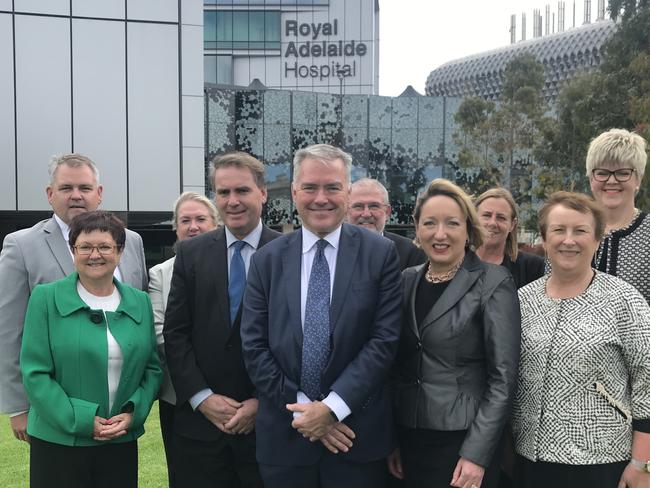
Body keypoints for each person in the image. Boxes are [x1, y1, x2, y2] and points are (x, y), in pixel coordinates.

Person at [241, 144, 402, 488]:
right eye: (311, 187)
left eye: (332, 187)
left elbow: (384, 340)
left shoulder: (381, 254)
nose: (321, 198)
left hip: (355, 438)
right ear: (295, 191)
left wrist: (331, 409)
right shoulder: (266, 260)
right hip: (286, 439)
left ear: (347, 191)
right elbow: (254, 346)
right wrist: (307, 411)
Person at [0, 153, 148, 443]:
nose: (76, 196)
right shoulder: (21, 245)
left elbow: (138, 318)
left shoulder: (131, 242)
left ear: (99, 193)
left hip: (119, 407)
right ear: (50, 194)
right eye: (66, 188)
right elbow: (8, 331)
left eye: (85, 188)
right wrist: (17, 405)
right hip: (55, 404)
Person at [512, 191, 650, 488]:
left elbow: (647, 381)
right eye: (559, 230)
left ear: (597, 239)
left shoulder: (624, 301)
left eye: (581, 231)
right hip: (529, 459)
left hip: (601, 462)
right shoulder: (522, 301)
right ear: (545, 240)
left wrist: (643, 463)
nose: (569, 240)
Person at [389, 178, 521, 488]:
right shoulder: (406, 280)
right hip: (410, 437)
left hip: (463, 442)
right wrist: (392, 439)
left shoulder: (493, 282)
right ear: (417, 229)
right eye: (429, 223)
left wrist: (477, 454)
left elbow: (503, 379)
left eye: (452, 223)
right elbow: (396, 365)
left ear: (467, 229)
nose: (440, 234)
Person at [20, 210, 161, 488]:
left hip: (119, 441)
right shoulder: (45, 298)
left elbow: (153, 368)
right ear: (73, 251)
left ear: (119, 252)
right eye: (84, 246)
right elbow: (35, 373)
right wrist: (82, 420)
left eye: (105, 246)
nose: (94, 254)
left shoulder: (140, 301)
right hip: (58, 443)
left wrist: (134, 414)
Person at [163, 152, 280, 487]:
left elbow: (297, 340)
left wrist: (262, 401)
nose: (232, 201)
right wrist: (202, 398)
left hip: (268, 428)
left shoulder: (289, 252)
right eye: (223, 192)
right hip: (201, 431)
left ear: (263, 193)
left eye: (242, 191)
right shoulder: (191, 253)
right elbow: (176, 333)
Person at [148, 192, 220, 487]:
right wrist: (198, 383)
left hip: (236, 395)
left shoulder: (239, 265)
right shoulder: (159, 275)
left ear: (216, 224)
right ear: (176, 228)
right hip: (179, 396)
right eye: (185, 220)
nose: (193, 226)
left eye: (200, 219)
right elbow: (159, 331)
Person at [586, 128, 650, 303]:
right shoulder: (569, 232)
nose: (612, 181)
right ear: (591, 179)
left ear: (638, 179)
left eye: (623, 173)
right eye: (602, 173)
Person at [347, 178, 425, 270]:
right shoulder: (334, 250)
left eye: (374, 206)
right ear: (346, 211)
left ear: (387, 212)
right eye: (358, 206)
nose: (366, 214)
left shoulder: (411, 252)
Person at [474, 188, 544, 289]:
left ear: (512, 225)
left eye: (501, 218)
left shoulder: (533, 268)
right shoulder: (456, 264)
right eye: (486, 215)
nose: (493, 223)